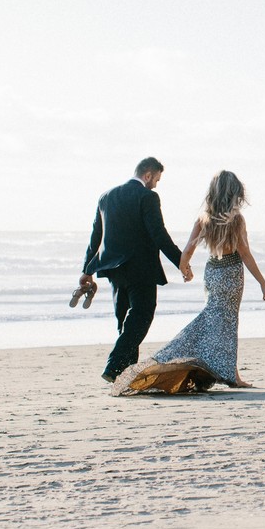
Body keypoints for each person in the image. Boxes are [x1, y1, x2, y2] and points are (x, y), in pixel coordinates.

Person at [111, 169, 265, 395]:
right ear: (235, 192)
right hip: (231, 273)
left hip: (212, 273)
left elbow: (187, 250)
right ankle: (232, 375)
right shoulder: (237, 220)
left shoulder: (203, 218)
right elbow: (245, 254)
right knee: (228, 323)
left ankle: (218, 368)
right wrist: (263, 284)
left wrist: (185, 269)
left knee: (212, 318)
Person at [79, 157, 189, 383]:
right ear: (147, 175)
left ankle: (125, 375)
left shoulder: (106, 197)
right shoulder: (147, 197)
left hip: (114, 270)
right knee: (142, 315)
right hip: (141, 268)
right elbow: (158, 234)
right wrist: (181, 262)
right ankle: (114, 365)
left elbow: (95, 238)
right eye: (156, 179)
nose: (156, 184)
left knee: (125, 321)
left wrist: (86, 270)